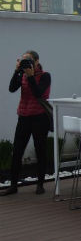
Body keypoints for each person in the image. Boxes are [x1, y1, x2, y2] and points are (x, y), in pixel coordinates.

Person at [1, 50, 51, 196]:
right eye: (23, 59)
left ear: (36, 61)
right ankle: (13, 186)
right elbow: (11, 88)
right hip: (23, 116)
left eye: (28, 59)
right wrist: (16, 71)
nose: (26, 62)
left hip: (40, 117)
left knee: (40, 150)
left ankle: (40, 184)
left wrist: (30, 76)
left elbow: (38, 93)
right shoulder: (22, 74)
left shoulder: (45, 76)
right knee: (17, 151)